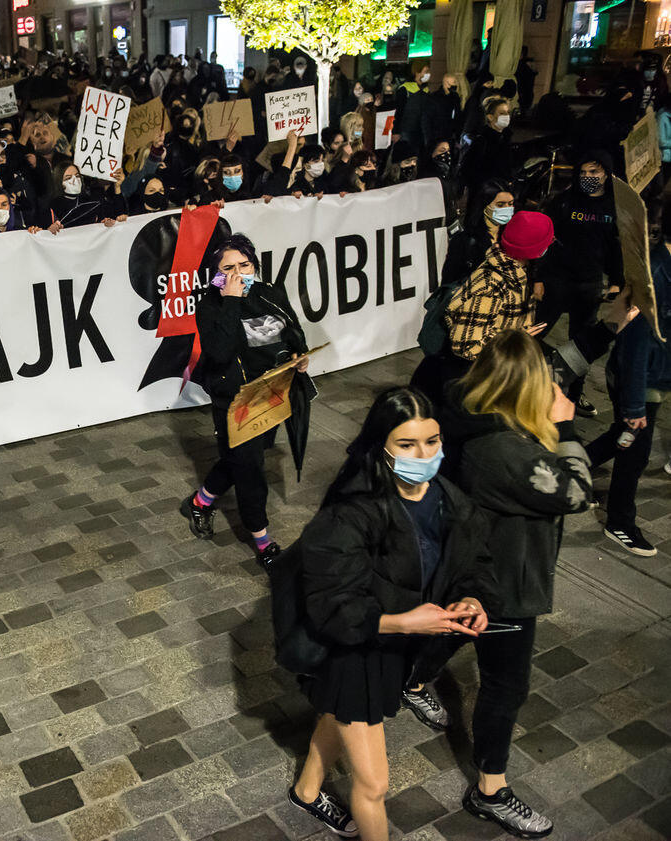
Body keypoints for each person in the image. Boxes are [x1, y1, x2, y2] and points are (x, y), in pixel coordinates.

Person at [287, 387, 495, 841]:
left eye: (432, 441)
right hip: (356, 653)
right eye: (407, 444)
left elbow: (472, 561)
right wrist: (403, 622)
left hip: (398, 647)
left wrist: (472, 599)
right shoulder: (351, 511)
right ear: (380, 446)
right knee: (374, 784)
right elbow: (330, 604)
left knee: (337, 714)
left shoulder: (447, 498)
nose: (424, 454)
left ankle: (306, 791)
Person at [409, 330, 592, 839]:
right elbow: (577, 492)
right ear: (528, 387)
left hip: (475, 567)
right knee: (506, 686)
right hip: (504, 583)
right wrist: (566, 426)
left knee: (457, 628)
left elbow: (569, 360)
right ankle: (489, 791)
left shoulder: (474, 411)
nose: (556, 387)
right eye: (547, 381)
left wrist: (614, 324)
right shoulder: (504, 450)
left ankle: (411, 680)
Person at [181, 235, 309, 562]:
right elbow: (220, 353)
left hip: (272, 392)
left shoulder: (270, 293)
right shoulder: (210, 305)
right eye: (228, 268)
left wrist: (300, 355)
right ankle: (263, 542)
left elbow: (293, 331)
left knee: (240, 458)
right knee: (251, 469)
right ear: (216, 273)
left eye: (245, 265)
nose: (238, 273)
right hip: (237, 400)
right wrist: (232, 301)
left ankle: (199, 502)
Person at [585, 199, 671, 557]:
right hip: (640, 381)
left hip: (656, 375)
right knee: (634, 451)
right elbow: (635, 347)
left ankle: (574, 468)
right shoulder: (654, 277)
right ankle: (620, 522)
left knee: (621, 435)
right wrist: (635, 406)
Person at [538, 150, 623, 416]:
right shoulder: (564, 201)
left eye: (594, 172)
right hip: (557, 280)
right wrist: (538, 278)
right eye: (583, 172)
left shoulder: (614, 207)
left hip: (589, 284)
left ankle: (574, 395)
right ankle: (524, 384)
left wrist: (616, 282)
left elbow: (617, 249)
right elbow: (545, 241)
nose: (588, 177)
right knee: (535, 332)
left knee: (582, 343)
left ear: (606, 174)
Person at [446, 210, 552, 363]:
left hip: (504, 364)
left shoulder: (518, 273)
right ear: (534, 249)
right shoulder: (491, 285)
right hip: (484, 373)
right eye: (547, 241)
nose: (551, 243)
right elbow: (466, 346)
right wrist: (517, 340)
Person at [458, 97, 513, 198]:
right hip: (484, 193)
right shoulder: (482, 140)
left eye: (508, 112)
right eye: (502, 113)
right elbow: (468, 168)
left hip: (501, 191)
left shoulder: (506, 138)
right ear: (490, 117)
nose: (506, 116)